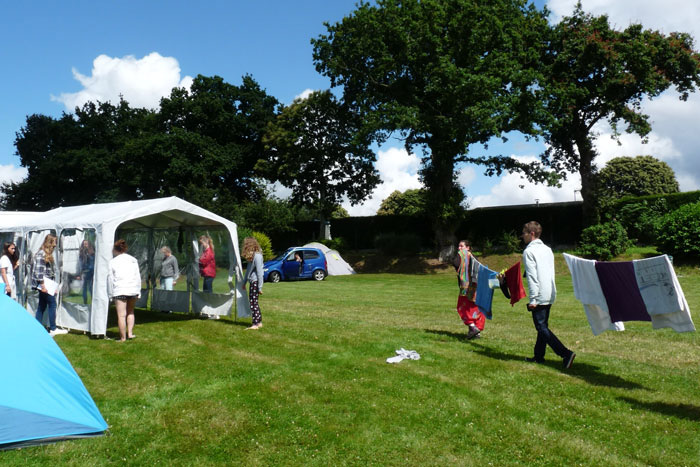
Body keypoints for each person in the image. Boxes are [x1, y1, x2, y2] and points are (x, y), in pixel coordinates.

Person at [521, 221, 576, 369]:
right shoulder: (547, 249)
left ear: (531, 234)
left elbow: (532, 277)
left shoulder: (529, 252)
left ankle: (565, 353)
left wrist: (533, 299)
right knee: (543, 326)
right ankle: (539, 356)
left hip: (539, 294)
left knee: (541, 327)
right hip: (550, 291)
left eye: (524, 233)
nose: (523, 236)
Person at [32, 234, 68, 336]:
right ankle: (53, 328)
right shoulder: (41, 254)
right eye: (55, 242)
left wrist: (52, 288)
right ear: (50, 243)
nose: (56, 245)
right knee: (52, 305)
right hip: (44, 285)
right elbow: (39, 272)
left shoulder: (44, 254)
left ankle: (37, 328)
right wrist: (43, 287)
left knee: (41, 306)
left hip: (47, 284)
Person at [108, 239, 141, 342]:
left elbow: (110, 279)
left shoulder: (113, 262)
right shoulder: (133, 260)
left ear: (115, 249)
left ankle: (123, 338)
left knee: (121, 315)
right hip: (132, 289)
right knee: (130, 312)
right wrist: (138, 290)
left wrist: (110, 293)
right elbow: (138, 276)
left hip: (120, 290)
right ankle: (130, 333)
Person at [452, 240, 485, 339]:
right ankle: (476, 332)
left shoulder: (462, 256)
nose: (459, 248)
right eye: (458, 246)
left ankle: (472, 327)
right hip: (477, 288)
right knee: (475, 309)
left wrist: (460, 255)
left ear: (468, 248)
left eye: (461, 246)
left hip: (466, 289)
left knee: (462, 307)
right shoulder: (474, 258)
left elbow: (455, 263)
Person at [241, 237, 264, 330]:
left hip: (255, 282)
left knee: (253, 303)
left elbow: (260, 272)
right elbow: (248, 271)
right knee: (254, 302)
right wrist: (244, 282)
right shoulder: (252, 256)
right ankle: (259, 322)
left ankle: (255, 324)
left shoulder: (257, 256)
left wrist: (260, 287)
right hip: (253, 282)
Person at [78, 239, 95, 304]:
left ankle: (93, 302)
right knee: (84, 288)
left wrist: (89, 254)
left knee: (91, 288)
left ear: (89, 245)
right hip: (85, 272)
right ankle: (85, 302)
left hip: (91, 272)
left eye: (86, 244)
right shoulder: (81, 253)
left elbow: (93, 263)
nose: (85, 245)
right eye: (84, 244)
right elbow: (80, 264)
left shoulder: (92, 252)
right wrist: (80, 273)